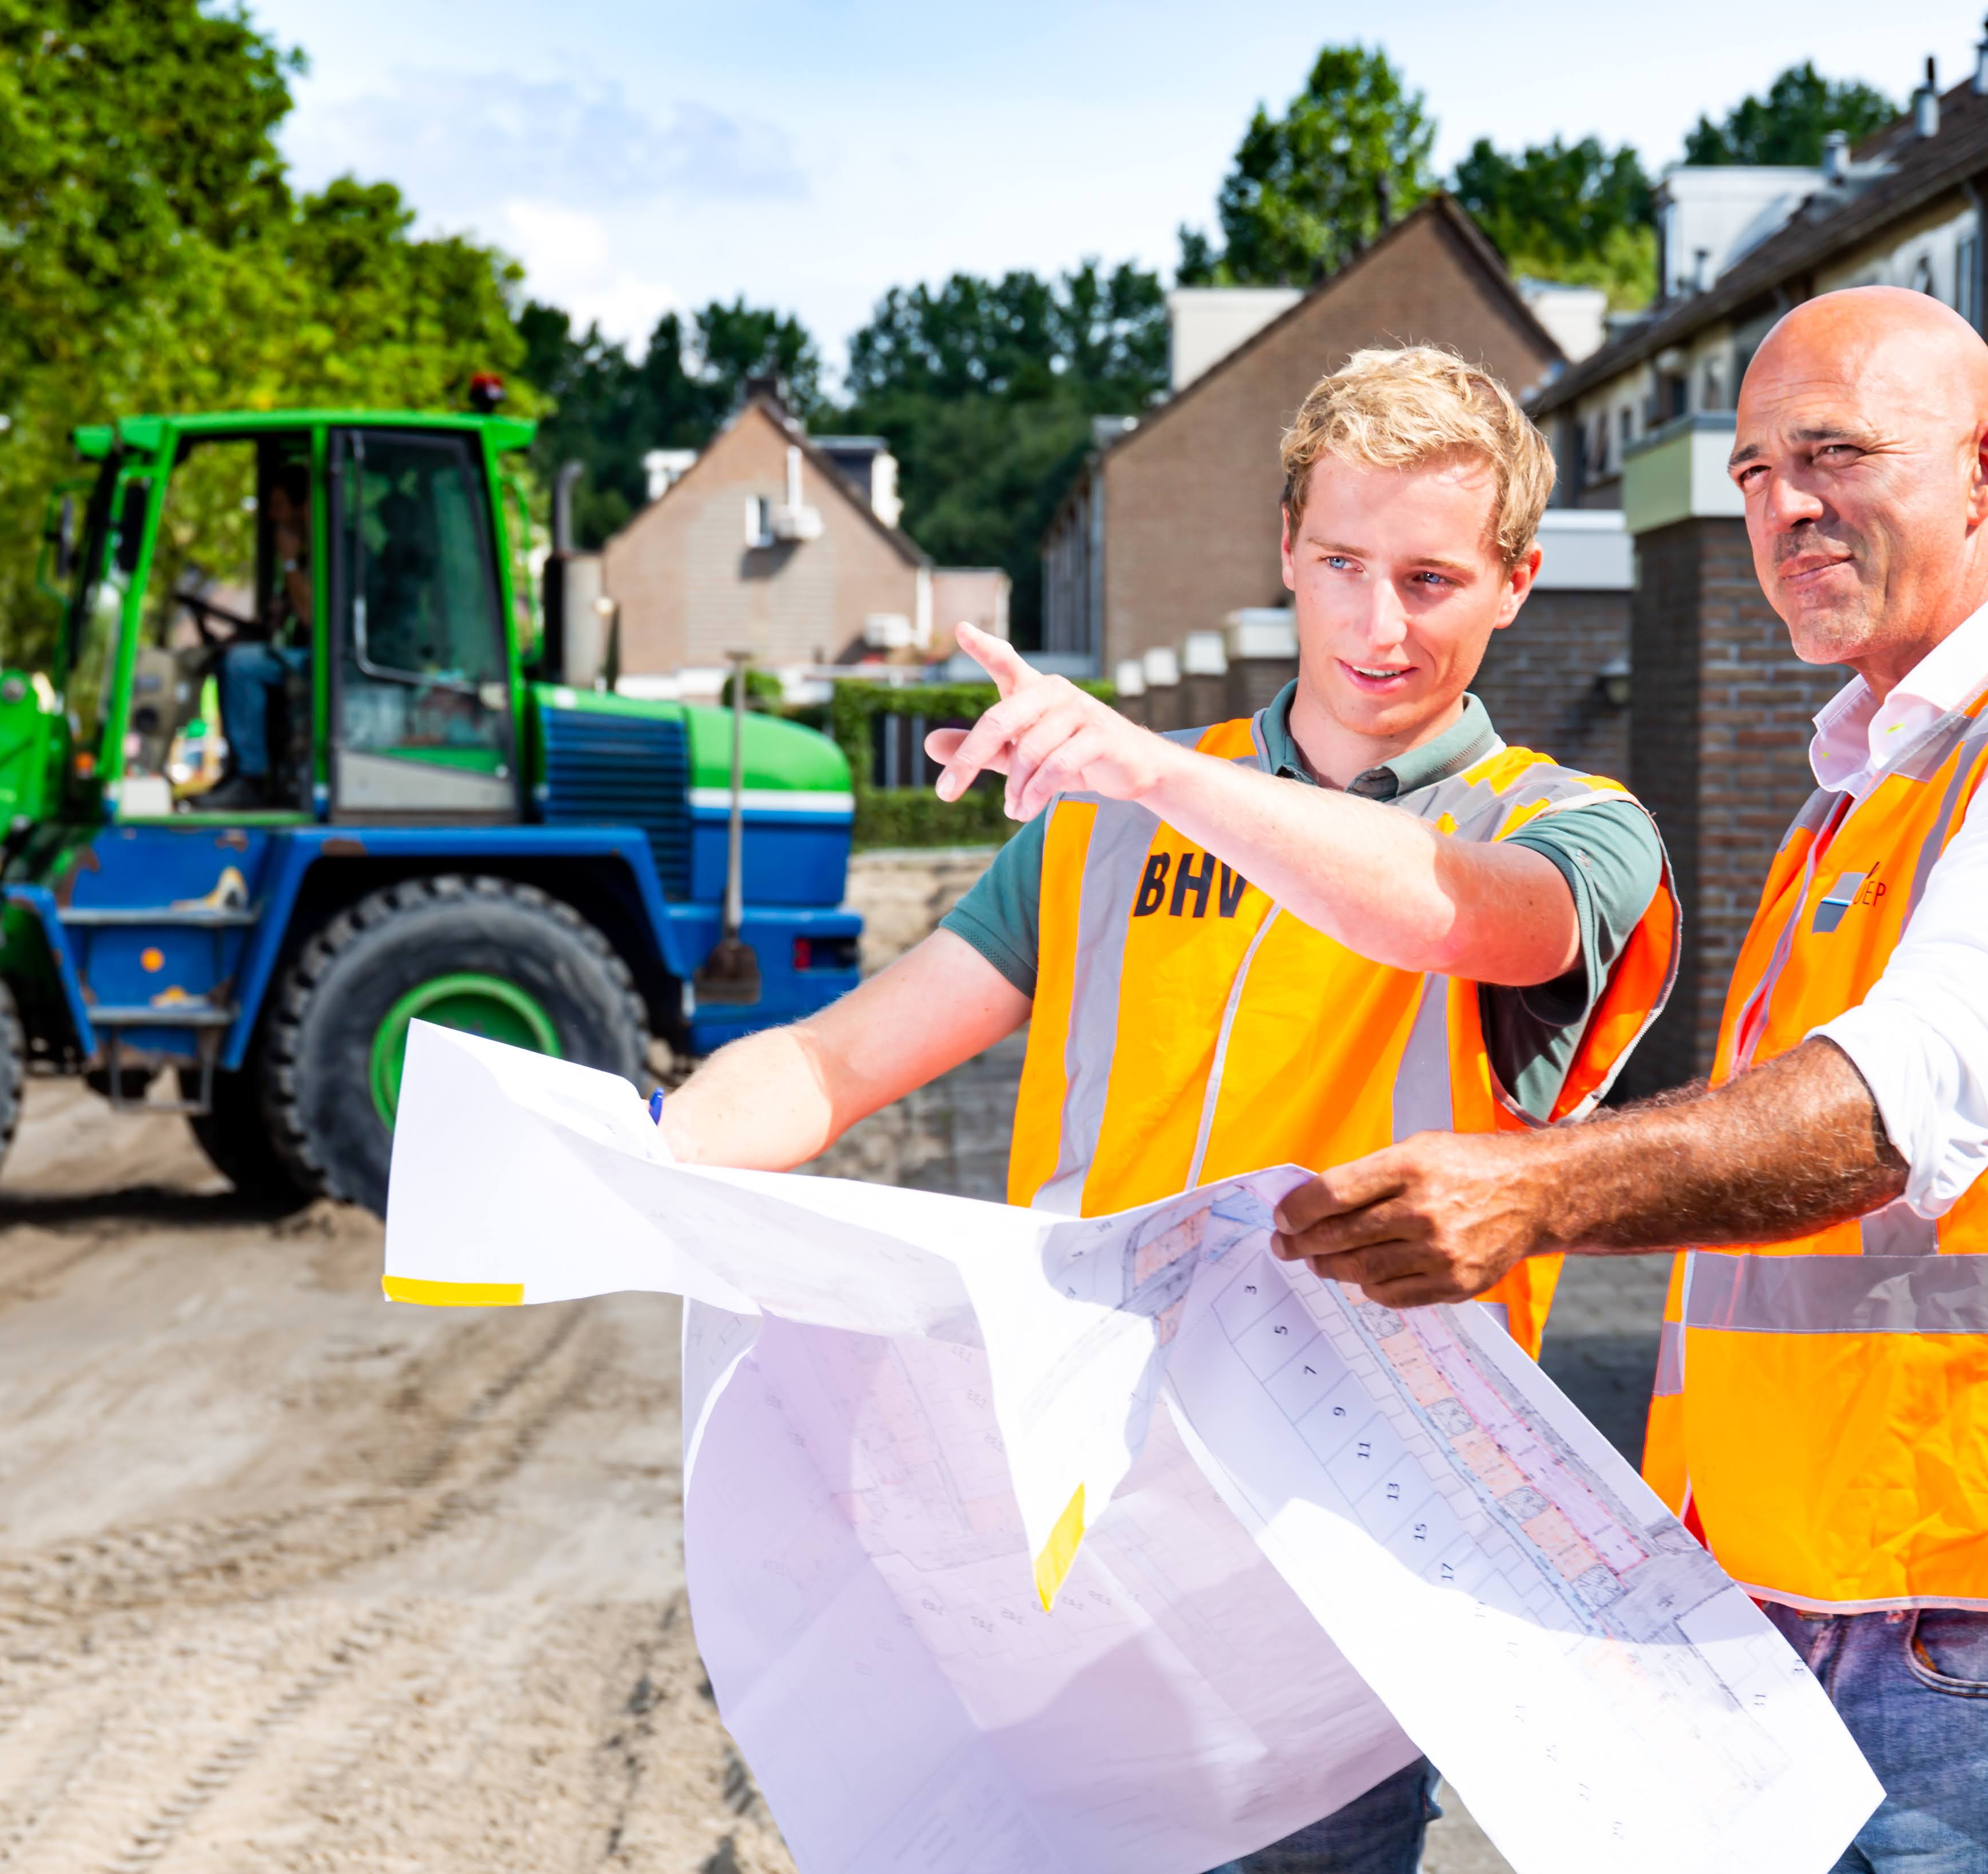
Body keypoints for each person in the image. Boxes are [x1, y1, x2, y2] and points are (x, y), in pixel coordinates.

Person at [1269, 288, 1988, 1872]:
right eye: (1755, 473)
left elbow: (1885, 1108)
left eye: (1836, 452)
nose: (1784, 506)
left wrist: (1532, 1189)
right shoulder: (1873, 785)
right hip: (1821, 1617)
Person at [658, 344, 1678, 1871]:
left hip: (1329, 1581)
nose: (1375, 622)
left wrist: (1150, 770)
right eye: (1338, 562)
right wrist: (629, 1158)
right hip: (1067, 1529)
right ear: (1284, 548)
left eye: (1429, 577)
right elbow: (823, 1066)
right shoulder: (1109, 826)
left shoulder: (1568, 831)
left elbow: (1451, 915)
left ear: (1518, 581)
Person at [205, 474, 314, 811]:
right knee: (228, 658)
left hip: (329, 663)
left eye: (279, 506)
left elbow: (312, 617)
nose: (271, 516)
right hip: (305, 653)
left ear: (304, 508)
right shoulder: (306, 558)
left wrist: (290, 561)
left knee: (242, 665)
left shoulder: (326, 555)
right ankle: (238, 770)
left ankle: (252, 778)